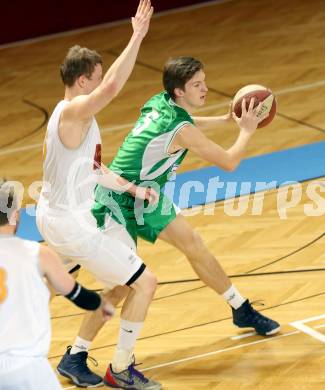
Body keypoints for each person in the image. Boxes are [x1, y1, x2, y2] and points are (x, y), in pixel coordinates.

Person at [62, 56, 281, 385]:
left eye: (205, 81)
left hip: (145, 195)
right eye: (197, 85)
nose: (206, 88)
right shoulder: (182, 131)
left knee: (193, 243)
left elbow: (187, 122)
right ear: (179, 91)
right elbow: (230, 162)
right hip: (118, 200)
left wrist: (224, 119)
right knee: (124, 285)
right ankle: (77, 355)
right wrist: (245, 131)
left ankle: (241, 308)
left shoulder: (159, 100)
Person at [36, 1, 162, 389]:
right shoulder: (73, 112)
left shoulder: (75, 117)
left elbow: (92, 170)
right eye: (98, 76)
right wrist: (137, 35)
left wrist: (132, 188)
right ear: (83, 81)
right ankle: (120, 368)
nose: (104, 82)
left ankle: (74, 356)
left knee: (120, 278)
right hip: (72, 225)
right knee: (145, 282)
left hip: (61, 217)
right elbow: (112, 88)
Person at [0, 180, 114, 390]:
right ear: (15, 214)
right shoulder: (38, 254)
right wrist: (100, 303)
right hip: (28, 367)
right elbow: (77, 293)